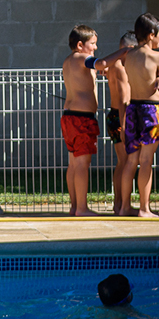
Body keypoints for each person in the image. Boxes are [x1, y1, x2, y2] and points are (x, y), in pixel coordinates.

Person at [118, 13, 159, 218]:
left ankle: (124, 207)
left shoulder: (129, 56)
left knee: (131, 161)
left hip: (133, 109)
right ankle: (144, 208)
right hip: (152, 109)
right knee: (146, 160)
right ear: (151, 35)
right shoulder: (157, 56)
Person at [59, 25, 101, 217]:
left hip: (70, 117)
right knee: (83, 164)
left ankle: (75, 206)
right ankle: (82, 208)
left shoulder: (68, 61)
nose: (95, 48)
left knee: (74, 164)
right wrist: (123, 55)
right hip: (82, 119)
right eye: (92, 44)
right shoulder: (82, 58)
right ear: (79, 44)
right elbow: (100, 64)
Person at [106, 32, 138, 215]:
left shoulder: (113, 66)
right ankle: (121, 204)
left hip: (116, 116)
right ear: (129, 49)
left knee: (122, 162)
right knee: (125, 162)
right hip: (121, 116)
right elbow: (125, 100)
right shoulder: (121, 67)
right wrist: (126, 126)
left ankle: (118, 203)